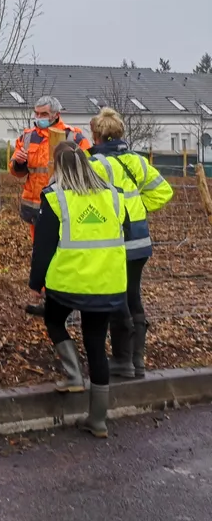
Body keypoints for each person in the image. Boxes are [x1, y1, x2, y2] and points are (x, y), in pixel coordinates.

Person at [29, 141, 129, 438]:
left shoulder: (56, 197)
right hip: (107, 283)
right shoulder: (113, 196)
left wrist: (36, 284)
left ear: (58, 168)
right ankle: (98, 420)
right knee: (96, 346)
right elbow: (126, 230)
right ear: (87, 164)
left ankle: (73, 375)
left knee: (54, 320)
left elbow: (43, 246)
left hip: (68, 282)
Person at [87, 107, 173, 379]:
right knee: (133, 295)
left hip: (114, 241)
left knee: (117, 298)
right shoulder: (137, 161)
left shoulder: (96, 165)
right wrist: (139, 209)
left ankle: (123, 360)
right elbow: (164, 191)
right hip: (139, 239)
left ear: (98, 135)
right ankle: (138, 360)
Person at [9, 96, 91, 316]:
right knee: (42, 253)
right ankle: (48, 298)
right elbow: (17, 172)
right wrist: (18, 163)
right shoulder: (27, 137)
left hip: (65, 208)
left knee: (64, 252)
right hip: (36, 208)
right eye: (36, 114)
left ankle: (66, 296)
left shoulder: (74, 137)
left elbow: (88, 168)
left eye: (43, 114)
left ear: (56, 114)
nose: (39, 118)